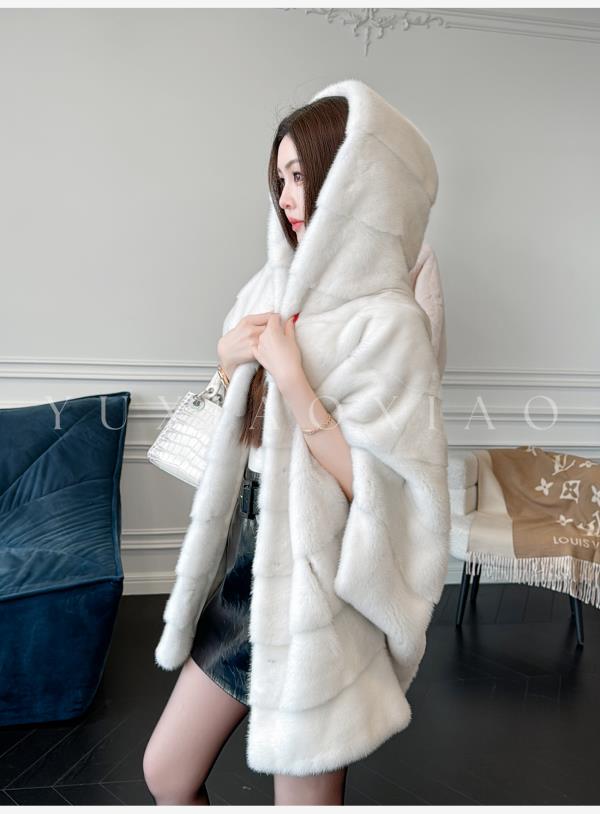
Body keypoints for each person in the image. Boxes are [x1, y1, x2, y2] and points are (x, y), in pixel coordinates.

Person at [144, 79, 450, 805]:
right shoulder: (264, 290)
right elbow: (226, 451)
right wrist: (227, 366)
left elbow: (390, 492)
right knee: (166, 772)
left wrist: (294, 382)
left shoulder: (389, 322)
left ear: (349, 178)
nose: (286, 196)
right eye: (278, 178)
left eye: (301, 174)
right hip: (243, 577)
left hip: (319, 602)